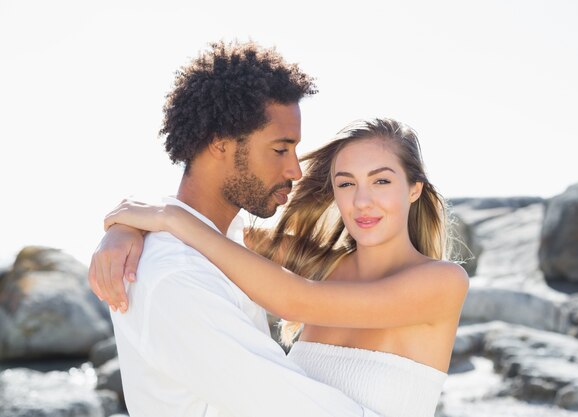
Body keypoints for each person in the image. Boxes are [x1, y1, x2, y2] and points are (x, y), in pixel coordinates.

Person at [96, 117, 470, 417]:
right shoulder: (320, 263)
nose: (362, 201)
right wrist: (126, 228)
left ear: (414, 189)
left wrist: (171, 220)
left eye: (382, 181)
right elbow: (222, 234)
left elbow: (294, 299)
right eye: (346, 183)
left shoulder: (442, 282)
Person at [90, 39, 384, 417]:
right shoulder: (176, 276)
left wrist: (126, 227)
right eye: (280, 150)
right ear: (219, 144)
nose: (294, 170)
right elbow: (292, 408)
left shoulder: (228, 239)